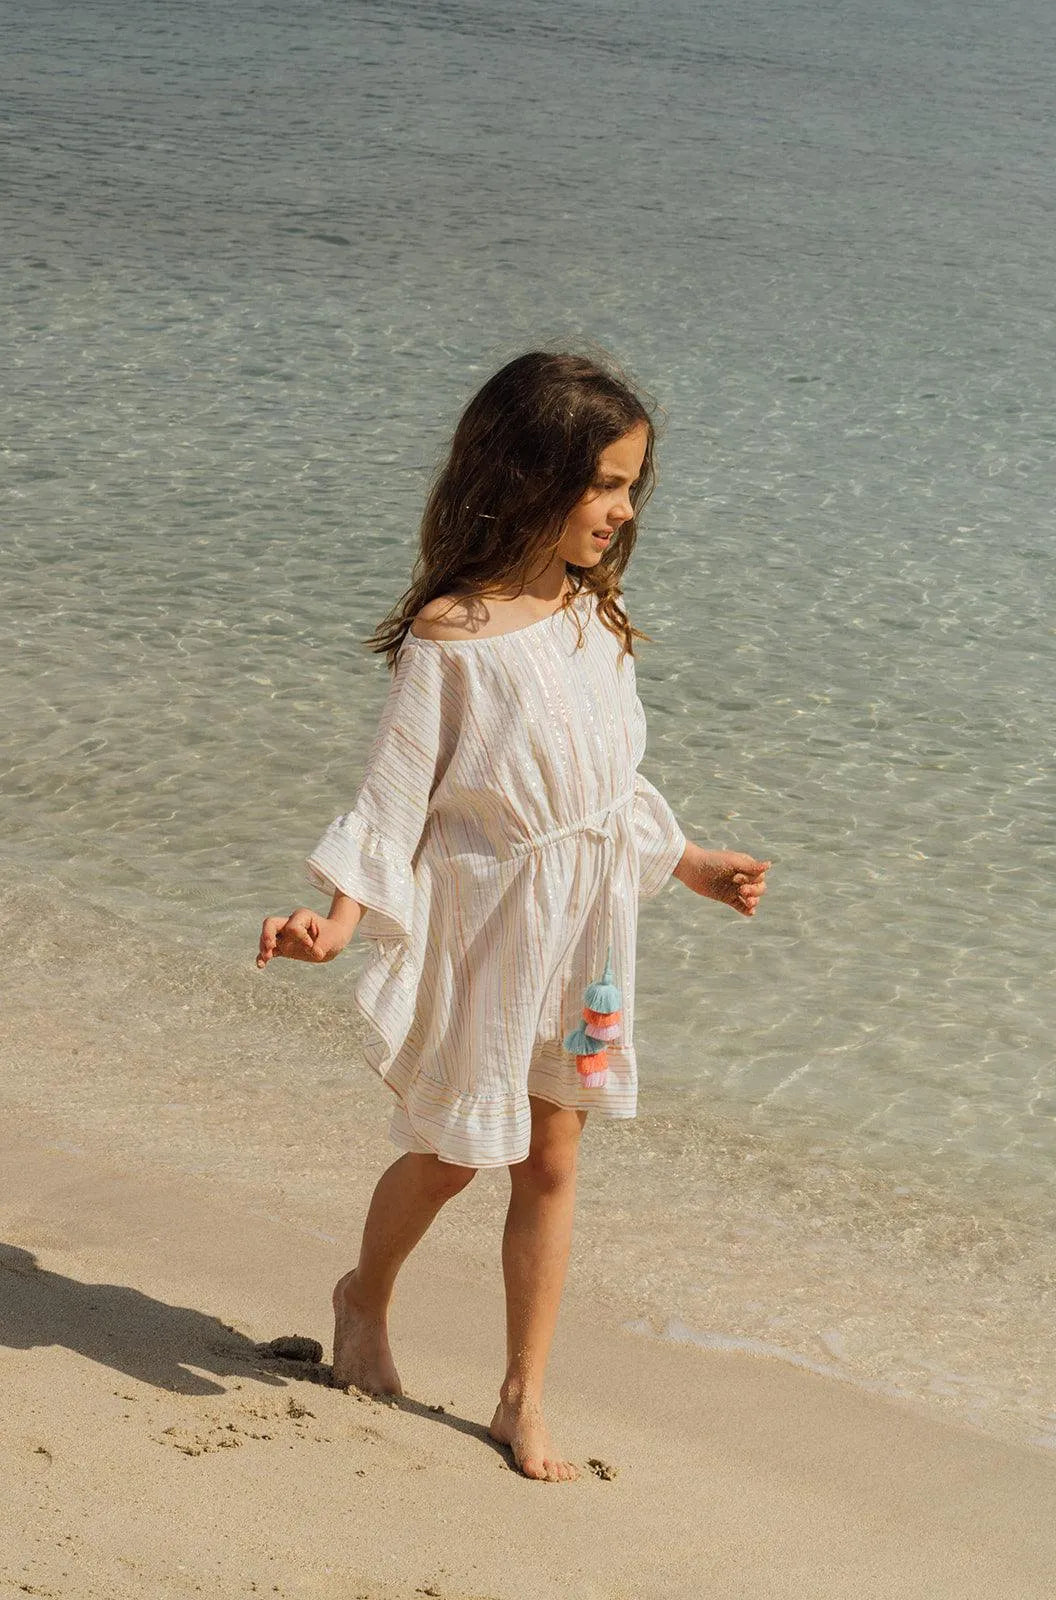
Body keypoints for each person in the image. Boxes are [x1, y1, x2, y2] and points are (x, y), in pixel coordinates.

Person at [256, 350, 770, 1482]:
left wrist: (686, 861)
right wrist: (337, 922)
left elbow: (606, 786)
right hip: (487, 931)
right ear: (530, 475)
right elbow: (392, 798)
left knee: (551, 1155)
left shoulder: (599, 616)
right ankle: (362, 1295)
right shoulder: (453, 634)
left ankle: (519, 1393)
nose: (623, 509)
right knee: (450, 1152)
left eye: (633, 485)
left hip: (585, 934)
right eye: (605, 483)